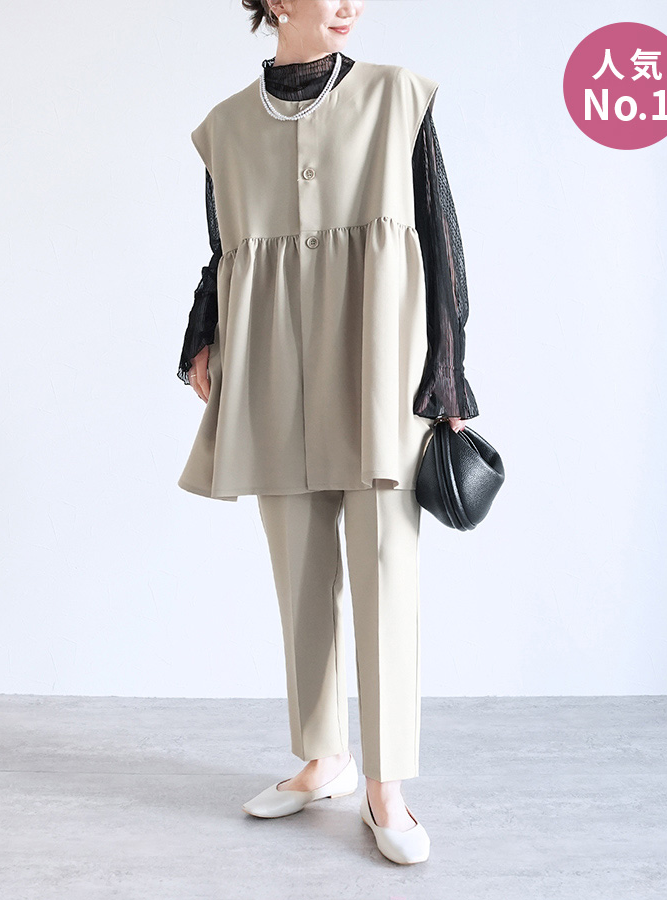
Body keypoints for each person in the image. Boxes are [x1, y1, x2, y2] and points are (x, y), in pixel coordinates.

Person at [176, 0, 479, 866]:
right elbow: (222, 250)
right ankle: (323, 759)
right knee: (299, 573)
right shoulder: (226, 128)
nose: (350, 5)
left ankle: (386, 786)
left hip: (379, 366)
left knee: (385, 569)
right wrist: (201, 335)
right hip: (271, 365)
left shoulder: (397, 97)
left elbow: (442, 238)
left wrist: (448, 370)